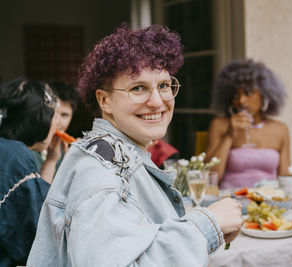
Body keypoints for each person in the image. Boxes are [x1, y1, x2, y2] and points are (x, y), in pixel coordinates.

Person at [27, 24, 242, 266]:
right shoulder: (101, 175)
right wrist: (207, 224)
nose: (157, 101)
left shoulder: (118, 154)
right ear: (104, 100)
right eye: (138, 88)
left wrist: (204, 232)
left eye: (163, 85)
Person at [0, 78, 61, 267]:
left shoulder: (9, 151)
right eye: (56, 116)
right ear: (39, 119)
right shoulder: (16, 156)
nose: (57, 126)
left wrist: (51, 160)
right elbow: (38, 232)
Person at [205, 59, 290, 189]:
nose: (241, 101)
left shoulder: (280, 129)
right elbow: (211, 177)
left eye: (248, 93)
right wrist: (229, 135)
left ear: (264, 94)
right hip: (230, 201)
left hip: (268, 204)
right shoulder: (220, 125)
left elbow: (286, 178)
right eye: (235, 95)